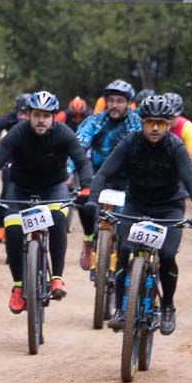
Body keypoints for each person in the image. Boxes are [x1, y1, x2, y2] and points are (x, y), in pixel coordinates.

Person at [91, 95, 192, 335]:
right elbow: (103, 173)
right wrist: (93, 199)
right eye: (149, 123)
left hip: (169, 208)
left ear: (167, 125)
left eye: (160, 123)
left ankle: (167, 305)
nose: (155, 128)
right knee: (124, 250)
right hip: (136, 205)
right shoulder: (130, 142)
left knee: (166, 255)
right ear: (141, 123)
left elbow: (189, 180)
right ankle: (122, 309)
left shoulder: (175, 146)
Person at [0, 90, 92, 311]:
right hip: (20, 189)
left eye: (46, 115)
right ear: (29, 115)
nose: (41, 120)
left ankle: (56, 277)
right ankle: (18, 286)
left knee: (56, 219)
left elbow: (82, 162)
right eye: (37, 115)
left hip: (53, 189)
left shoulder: (63, 133)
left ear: (54, 116)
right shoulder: (17, 132)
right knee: (14, 229)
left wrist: (86, 187)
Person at [75, 79, 142, 269]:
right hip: (98, 176)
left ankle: (123, 256)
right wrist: (69, 171)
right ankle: (89, 240)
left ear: (128, 103)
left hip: (127, 179)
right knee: (83, 199)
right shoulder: (95, 121)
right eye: (111, 100)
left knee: (124, 221)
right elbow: (78, 147)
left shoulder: (137, 123)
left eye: (119, 101)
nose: (114, 105)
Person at [163, 93, 192, 177]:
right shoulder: (155, 127)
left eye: (173, 116)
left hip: (181, 166)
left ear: (179, 114)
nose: (169, 120)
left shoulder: (186, 126)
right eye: (166, 117)